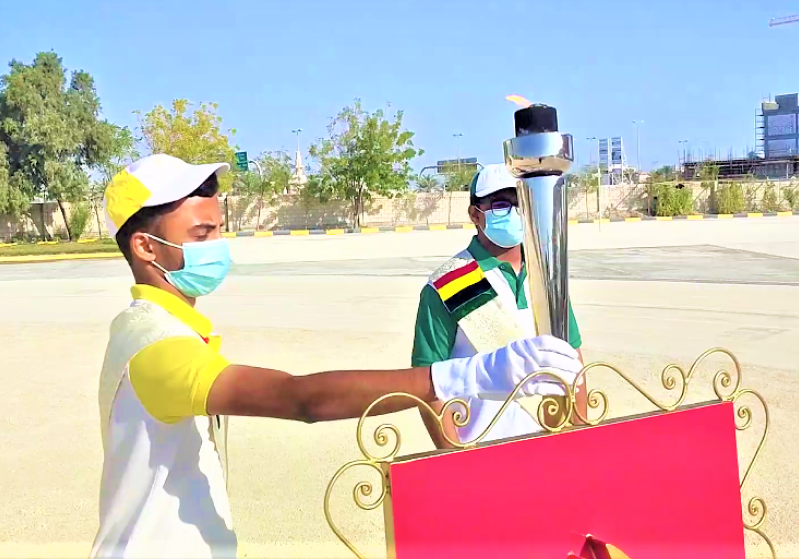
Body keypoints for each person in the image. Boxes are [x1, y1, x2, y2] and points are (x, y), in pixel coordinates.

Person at [91, 153, 582, 559]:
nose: (217, 248)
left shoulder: (161, 329)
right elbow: (299, 398)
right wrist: (466, 375)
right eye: (202, 236)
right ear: (146, 247)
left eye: (219, 230)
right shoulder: (155, 347)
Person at [411, 164, 586, 449]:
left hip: (546, 444)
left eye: (521, 202)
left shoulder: (545, 277)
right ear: (475, 215)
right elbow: (428, 381)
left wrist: (578, 442)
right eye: (502, 204)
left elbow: (572, 360)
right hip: (478, 450)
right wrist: (453, 456)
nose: (515, 212)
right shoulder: (446, 284)